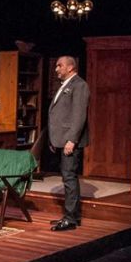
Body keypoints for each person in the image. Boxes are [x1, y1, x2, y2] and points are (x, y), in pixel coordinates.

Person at [48, 55, 89, 231]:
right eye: (56, 65)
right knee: (67, 176)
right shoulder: (65, 85)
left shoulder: (79, 85)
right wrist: (53, 138)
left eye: (60, 65)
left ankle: (70, 219)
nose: (56, 69)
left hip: (70, 141)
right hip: (60, 139)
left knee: (69, 177)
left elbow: (79, 116)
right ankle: (73, 216)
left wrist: (71, 140)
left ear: (71, 67)